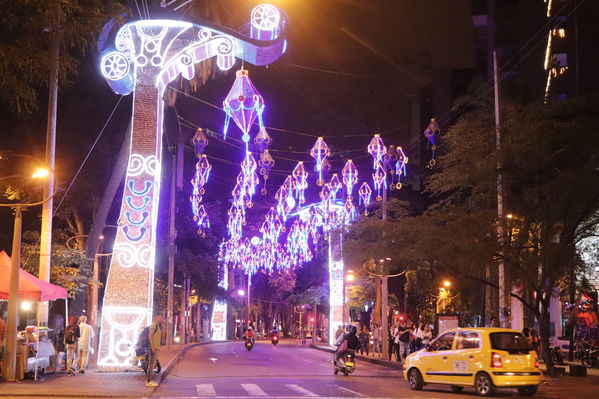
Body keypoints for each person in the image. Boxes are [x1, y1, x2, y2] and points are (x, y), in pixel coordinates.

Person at [146, 314, 163, 387]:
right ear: (156, 317)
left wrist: (163, 326)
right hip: (153, 347)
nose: (161, 318)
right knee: (151, 364)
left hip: (156, 348)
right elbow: (150, 336)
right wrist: (153, 346)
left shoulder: (158, 326)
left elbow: (162, 335)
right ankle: (148, 381)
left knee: (152, 364)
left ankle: (149, 380)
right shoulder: (153, 325)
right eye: (160, 317)